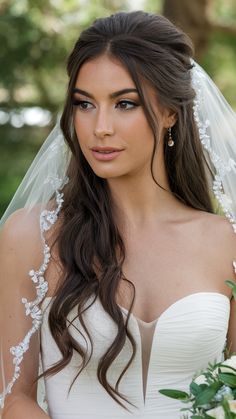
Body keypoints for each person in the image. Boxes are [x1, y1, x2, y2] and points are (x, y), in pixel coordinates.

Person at [0, 10, 236, 419]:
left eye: (124, 103)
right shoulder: (31, 236)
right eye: (84, 104)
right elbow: (10, 397)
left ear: (170, 113)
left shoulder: (226, 241)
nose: (100, 127)